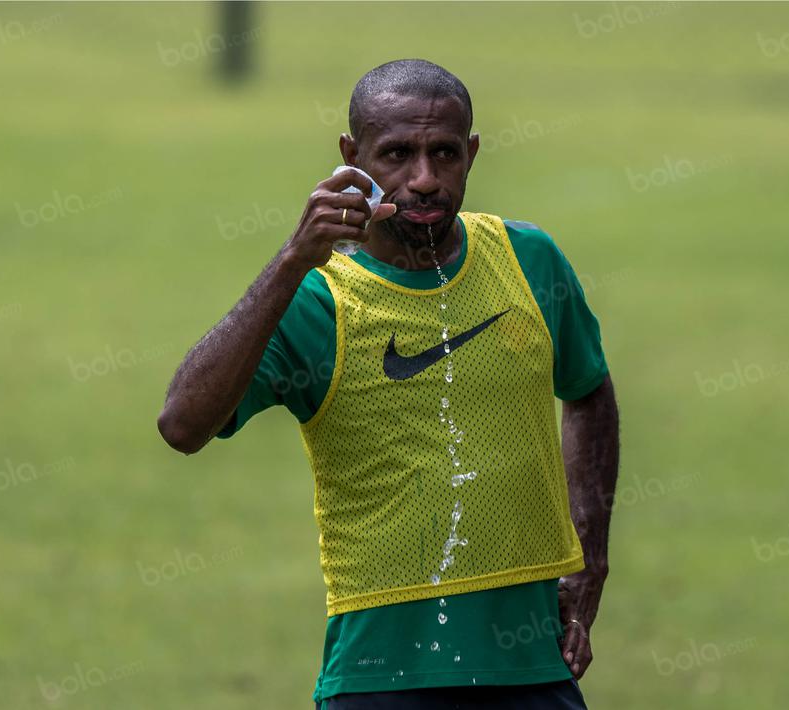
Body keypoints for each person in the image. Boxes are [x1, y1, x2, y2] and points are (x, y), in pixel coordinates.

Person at [157, 58, 620, 709]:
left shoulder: (528, 260)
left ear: (472, 154)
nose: (424, 179)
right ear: (353, 157)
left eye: (444, 154)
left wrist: (588, 560)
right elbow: (182, 424)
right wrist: (291, 261)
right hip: (378, 681)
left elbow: (588, 389)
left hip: (533, 669)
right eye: (398, 154)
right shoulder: (317, 301)